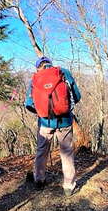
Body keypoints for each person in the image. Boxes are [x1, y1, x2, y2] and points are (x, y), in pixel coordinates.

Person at [25, 57, 81, 196]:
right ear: (51, 64)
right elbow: (77, 96)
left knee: (41, 151)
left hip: (44, 123)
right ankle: (68, 186)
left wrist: (42, 112)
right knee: (66, 153)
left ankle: (39, 180)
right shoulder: (63, 72)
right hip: (65, 121)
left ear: (38, 67)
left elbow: (29, 103)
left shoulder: (35, 78)